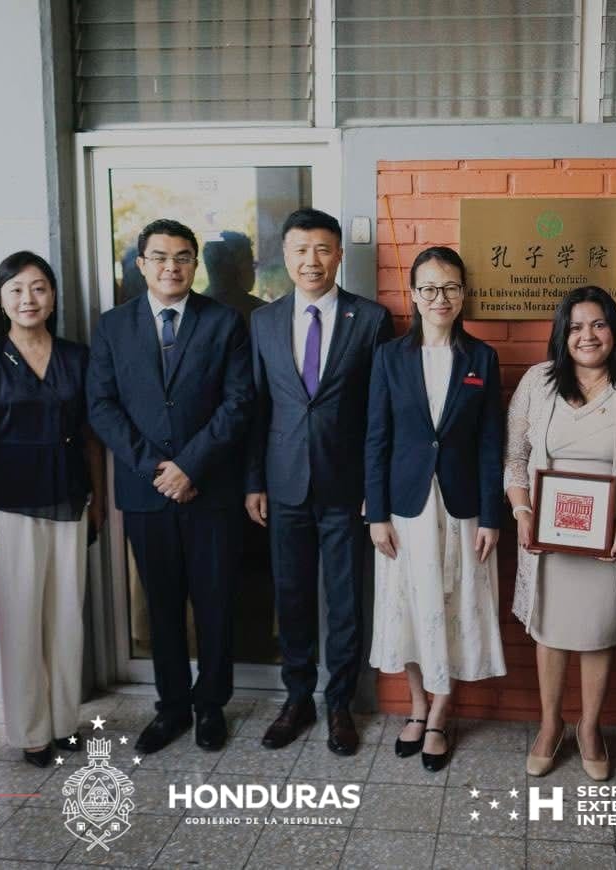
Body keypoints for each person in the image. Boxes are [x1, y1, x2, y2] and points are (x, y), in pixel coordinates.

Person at [87, 218, 254, 754]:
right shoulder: (113, 326)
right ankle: (172, 707)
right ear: (141, 264)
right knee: (161, 605)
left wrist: (190, 466)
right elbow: (102, 405)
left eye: (183, 257)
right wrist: (154, 469)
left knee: (213, 602)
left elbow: (238, 403)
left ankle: (211, 707)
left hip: (211, 490)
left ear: (194, 264)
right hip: (145, 492)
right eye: (160, 257)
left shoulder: (224, 322)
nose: (172, 267)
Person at [506, 285, 616, 781]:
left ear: (615, 330)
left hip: (612, 540)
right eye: (576, 326)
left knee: (597, 632)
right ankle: (549, 726)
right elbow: (514, 457)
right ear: (562, 334)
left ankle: (589, 727)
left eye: (599, 323)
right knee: (549, 630)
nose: (588, 335)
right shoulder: (536, 383)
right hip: (547, 539)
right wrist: (522, 513)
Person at [246, 208, 394, 756]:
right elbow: (257, 408)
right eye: (301, 250)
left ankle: (339, 704)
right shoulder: (262, 322)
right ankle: (297, 697)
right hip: (283, 485)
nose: (312, 260)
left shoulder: (371, 319)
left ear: (338, 255)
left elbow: (380, 415)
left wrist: (372, 487)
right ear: (285, 256)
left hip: (345, 487)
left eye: (323, 249)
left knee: (344, 600)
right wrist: (254, 480)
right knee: (291, 595)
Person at [0, 251, 106, 768]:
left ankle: (64, 722)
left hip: (69, 498)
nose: (29, 299)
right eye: (17, 290)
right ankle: (30, 731)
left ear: (53, 297)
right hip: (8, 504)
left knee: (67, 616)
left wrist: (99, 500)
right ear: (1, 299)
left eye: (39, 288)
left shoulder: (76, 356)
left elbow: (92, 439)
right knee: (21, 619)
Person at [365, 246, 506, 772]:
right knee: (409, 603)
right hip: (404, 508)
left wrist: (493, 515)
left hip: (464, 506)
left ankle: (444, 712)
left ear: (464, 294)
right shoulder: (389, 357)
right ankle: (418, 706)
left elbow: (493, 443)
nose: (438, 298)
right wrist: (375, 512)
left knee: (454, 602)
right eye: (428, 288)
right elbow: (375, 438)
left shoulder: (481, 359)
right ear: (413, 294)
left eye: (449, 287)